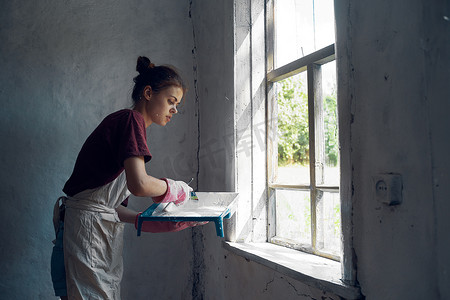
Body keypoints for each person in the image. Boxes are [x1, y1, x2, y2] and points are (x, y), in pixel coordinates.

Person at [50, 56, 205, 299]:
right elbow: (139, 184)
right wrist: (177, 189)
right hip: (89, 230)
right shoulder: (130, 120)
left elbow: (113, 207)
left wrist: (149, 221)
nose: (175, 110)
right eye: (171, 101)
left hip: (94, 227)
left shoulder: (131, 127)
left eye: (177, 105)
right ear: (148, 93)